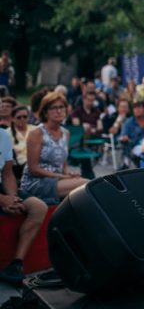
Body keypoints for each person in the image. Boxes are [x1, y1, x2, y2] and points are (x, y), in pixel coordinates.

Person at [0, 127, 48, 287]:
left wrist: (12, 198)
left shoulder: (3, 135)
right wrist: (2, 200)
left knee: (39, 207)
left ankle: (16, 264)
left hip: (3, 188)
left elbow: (7, 173)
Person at [21, 93, 87, 203]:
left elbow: (63, 164)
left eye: (61, 107)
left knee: (86, 186)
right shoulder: (37, 133)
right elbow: (33, 169)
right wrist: (61, 176)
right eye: (54, 108)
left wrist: (69, 174)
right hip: (36, 182)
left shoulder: (66, 133)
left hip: (58, 180)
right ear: (45, 112)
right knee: (86, 185)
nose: (59, 111)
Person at [119, 101, 144, 168]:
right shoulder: (129, 122)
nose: (137, 109)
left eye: (139, 107)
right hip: (133, 148)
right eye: (135, 108)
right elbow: (122, 136)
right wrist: (124, 138)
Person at [10, 105, 32, 180]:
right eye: (19, 117)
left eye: (25, 117)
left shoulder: (36, 130)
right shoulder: (6, 133)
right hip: (17, 167)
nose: (22, 119)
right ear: (13, 119)